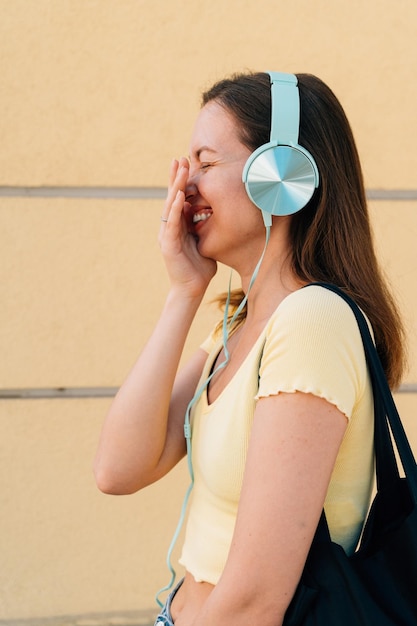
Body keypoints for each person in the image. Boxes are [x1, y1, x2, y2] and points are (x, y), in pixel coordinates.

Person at [94, 71, 406, 626]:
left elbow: (255, 601)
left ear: (280, 173)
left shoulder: (311, 322)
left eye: (206, 162)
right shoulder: (239, 325)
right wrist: (185, 292)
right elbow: (118, 469)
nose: (184, 184)